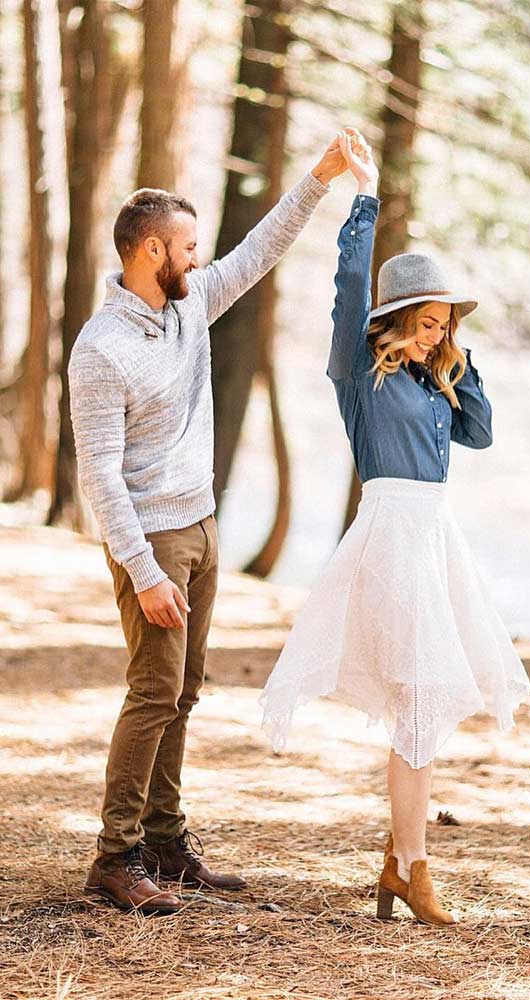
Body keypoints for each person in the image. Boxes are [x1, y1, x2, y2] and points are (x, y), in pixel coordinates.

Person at [70, 133, 353, 915]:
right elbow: (99, 476)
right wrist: (144, 570)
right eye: (188, 247)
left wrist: (319, 179)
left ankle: (164, 839)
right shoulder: (101, 350)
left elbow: (258, 251)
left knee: (184, 689)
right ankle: (115, 857)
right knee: (152, 691)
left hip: (201, 527)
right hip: (152, 542)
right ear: (150, 249)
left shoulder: (189, 309)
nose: (200, 259)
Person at [260, 131, 530, 926]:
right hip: (388, 538)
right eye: (425, 321)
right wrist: (364, 198)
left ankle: (401, 860)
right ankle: (412, 867)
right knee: (414, 702)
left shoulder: (433, 378)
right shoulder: (360, 375)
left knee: (422, 705)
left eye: (443, 321)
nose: (433, 332)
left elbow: (479, 433)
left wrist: (456, 356)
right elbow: (349, 286)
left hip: (434, 538)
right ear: (395, 317)